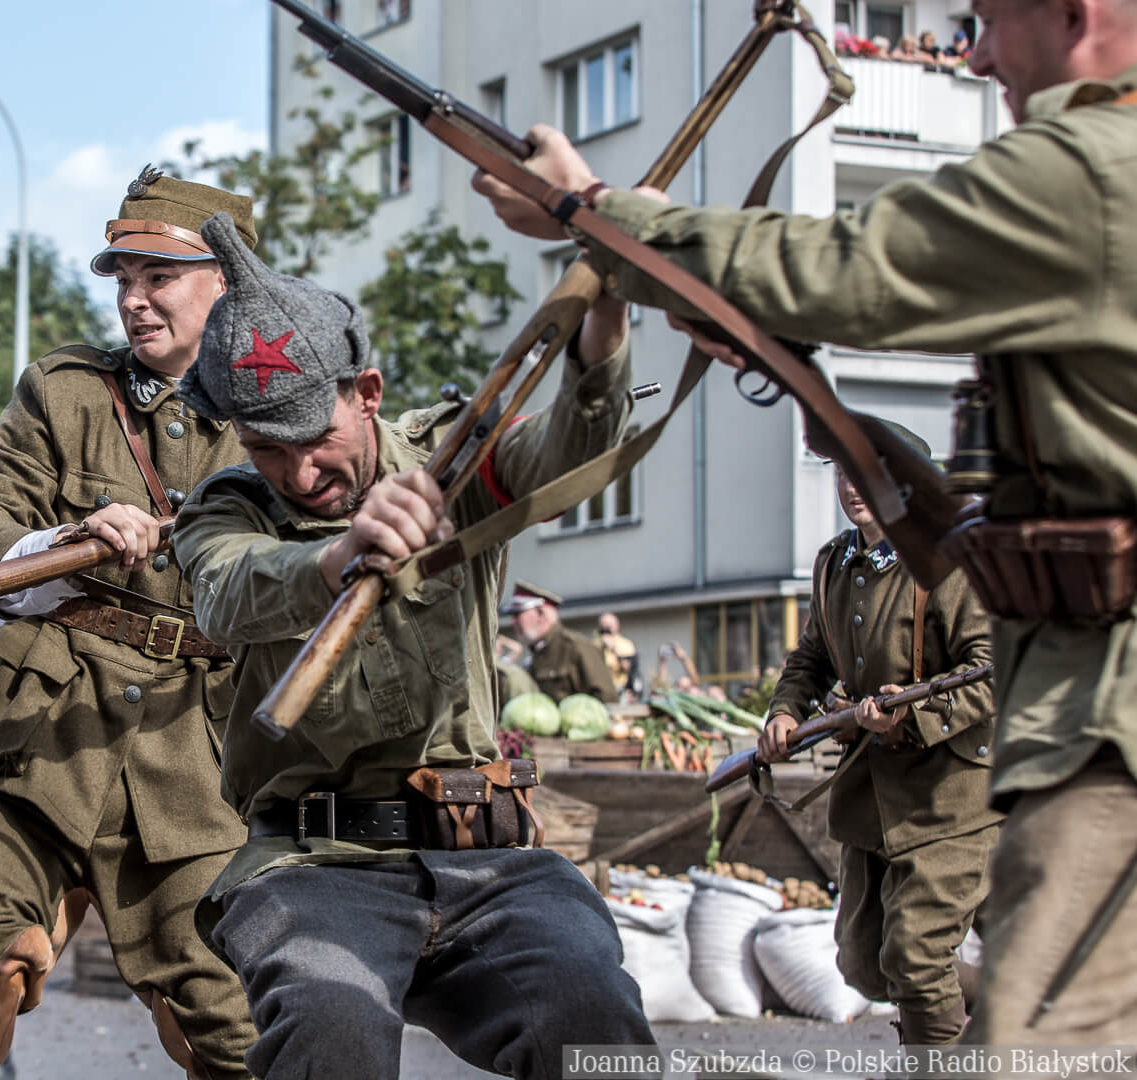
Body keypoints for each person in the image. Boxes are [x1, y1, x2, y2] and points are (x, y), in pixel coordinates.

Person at [473, 0, 1137, 1048]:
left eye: (990, 19)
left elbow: (838, 271)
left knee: (1038, 1050)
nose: (973, 52)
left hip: (1111, 715)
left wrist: (590, 204)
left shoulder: (1092, 164)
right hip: (1084, 707)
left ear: (1077, 14)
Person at [171, 212, 652, 1079]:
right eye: (265, 447)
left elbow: (569, 449)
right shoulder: (227, 506)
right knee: (329, 1024)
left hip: (487, 856)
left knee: (593, 1020)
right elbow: (226, 593)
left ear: (368, 392)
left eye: (314, 437)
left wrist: (608, 312)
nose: (298, 472)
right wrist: (336, 553)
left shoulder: (455, 461)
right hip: (313, 867)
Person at [0, 168, 261, 1080]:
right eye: (122, 277)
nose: (133, 298)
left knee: (233, 1028)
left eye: (158, 276)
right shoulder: (65, 390)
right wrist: (59, 537)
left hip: (194, 762)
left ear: (226, 281)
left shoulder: (282, 411)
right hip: (31, 731)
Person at [758, 421, 997, 1047]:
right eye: (842, 472)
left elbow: (991, 675)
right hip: (871, 801)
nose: (853, 487)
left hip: (949, 798)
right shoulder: (836, 563)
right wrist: (786, 711)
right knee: (864, 966)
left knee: (916, 963)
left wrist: (910, 716)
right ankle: (1008, 1001)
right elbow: (810, 657)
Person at [504, 581, 615, 702]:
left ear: (540, 613)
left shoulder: (576, 647)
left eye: (517, 614)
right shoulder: (537, 653)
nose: (512, 622)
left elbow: (607, 698)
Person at [595, 611, 640, 699]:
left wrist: (613, 650)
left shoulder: (626, 645)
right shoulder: (594, 644)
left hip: (620, 689)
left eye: (609, 625)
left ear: (616, 626)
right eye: (603, 625)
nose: (606, 628)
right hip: (600, 689)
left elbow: (628, 668)